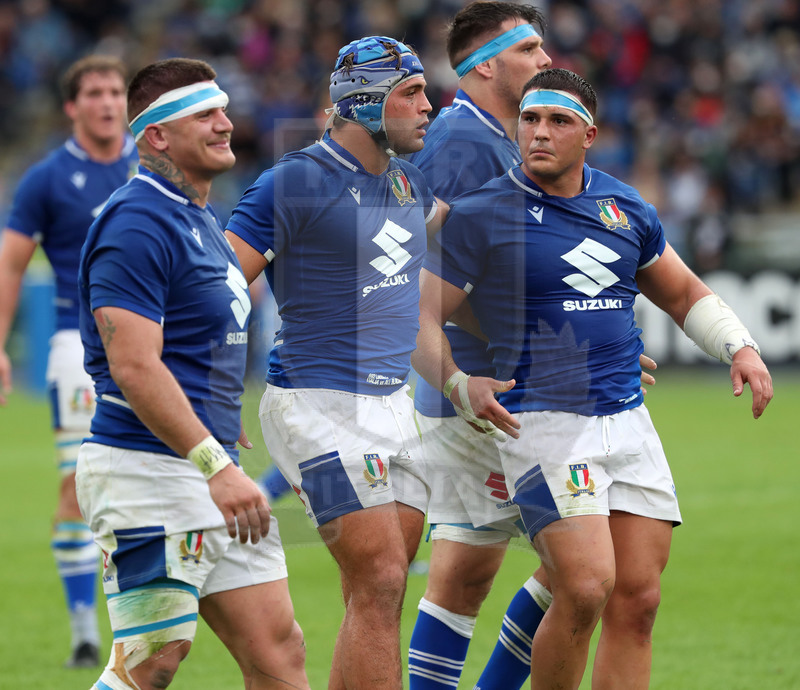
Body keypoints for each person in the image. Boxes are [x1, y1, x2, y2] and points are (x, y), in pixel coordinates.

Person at [412, 68, 773, 690]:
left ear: (589, 135)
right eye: (529, 120)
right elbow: (415, 316)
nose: (540, 133)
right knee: (583, 587)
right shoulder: (480, 214)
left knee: (637, 601)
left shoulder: (623, 205)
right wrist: (455, 382)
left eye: (557, 121)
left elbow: (683, 292)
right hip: (542, 426)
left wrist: (740, 347)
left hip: (629, 421)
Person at [405, 6, 658, 689]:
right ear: (486, 63)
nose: (547, 58)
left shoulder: (483, 133)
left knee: (498, 567)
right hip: (488, 386)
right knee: (552, 566)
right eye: (531, 47)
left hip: (505, 381)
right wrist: (566, 342)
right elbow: (431, 274)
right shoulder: (463, 144)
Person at [76, 57, 308, 690]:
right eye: (204, 114)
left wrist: (215, 432)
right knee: (152, 660)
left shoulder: (200, 218)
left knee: (279, 651)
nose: (226, 123)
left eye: (224, 109)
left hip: (206, 467)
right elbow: (132, 363)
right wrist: (216, 462)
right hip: (145, 470)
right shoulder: (136, 221)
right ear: (156, 135)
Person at [225, 36, 446, 689]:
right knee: (379, 576)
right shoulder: (295, 180)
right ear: (368, 104)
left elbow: (445, 260)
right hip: (314, 403)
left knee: (380, 589)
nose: (428, 106)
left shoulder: (408, 182)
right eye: (411, 93)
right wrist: (208, 398)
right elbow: (218, 289)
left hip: (393, 407)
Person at [0, 55, 137, 669]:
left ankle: (148, 620)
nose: (109, 102)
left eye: (116, 91)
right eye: (96, 93)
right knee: (78, 486)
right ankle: (86, 630)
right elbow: (9, 264)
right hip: (73, 350)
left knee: (152, 485)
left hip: (157, 348)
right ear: (72, 107)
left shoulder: (153, 164)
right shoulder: (47, 178)